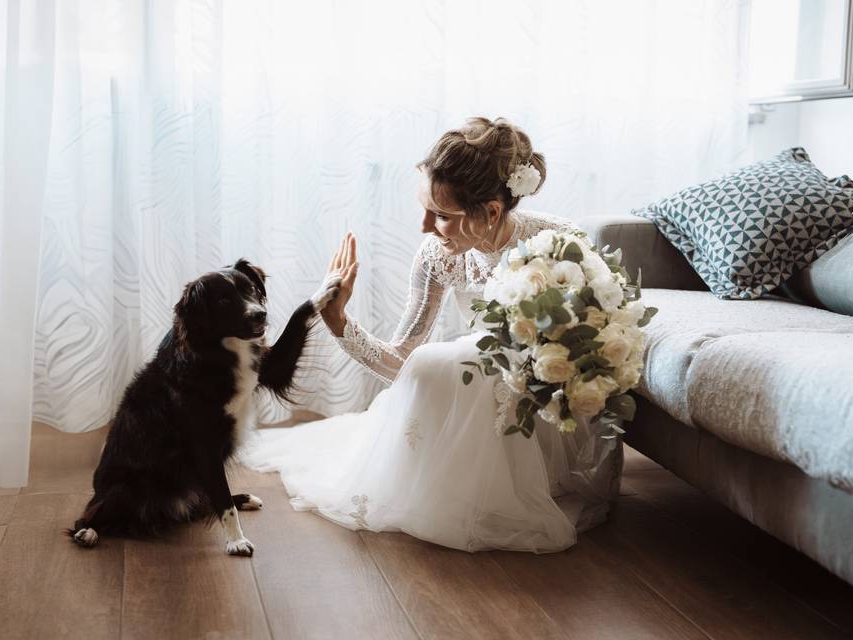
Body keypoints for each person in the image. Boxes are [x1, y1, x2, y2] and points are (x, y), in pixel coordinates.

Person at [241, 117, 622, 553]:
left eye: (440, 215)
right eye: (425, 208)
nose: (424, 226)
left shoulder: (560, 244)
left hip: (549, 403)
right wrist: (340, 324)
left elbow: (592, 352)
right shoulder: (437, 256)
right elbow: (404, 361)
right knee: (445, 364)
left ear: (492, 212)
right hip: (484, 388)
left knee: (469, 366)